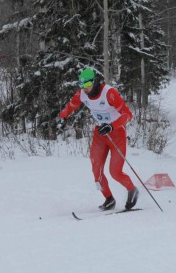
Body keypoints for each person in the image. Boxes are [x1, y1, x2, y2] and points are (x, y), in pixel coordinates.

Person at [58, 68, 139, 211]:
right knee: (97, 171)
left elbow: (128, 114)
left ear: (94, 82)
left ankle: (132, 189)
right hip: (100, 135)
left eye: (87, 86)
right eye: (82, 86)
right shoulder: (83, 94)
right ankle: (109, 199)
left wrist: (111, 126)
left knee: (115, 172)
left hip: (116, 134)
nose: (85, 90)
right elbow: (71, 105)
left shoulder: (109, 93)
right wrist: (63, 117)